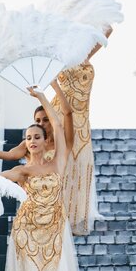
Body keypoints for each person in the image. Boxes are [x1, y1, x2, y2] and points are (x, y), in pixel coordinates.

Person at [0, 87, 88, 271]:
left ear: (45, 138)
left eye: (37, 135)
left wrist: (41, 98)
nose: (33, 140)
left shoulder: (57, 164)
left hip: (52, 233)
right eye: (28, 138)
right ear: (25, 144)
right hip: (26, 232)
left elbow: (60, 125)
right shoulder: (22, 171)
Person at [49, 27, 111, 236]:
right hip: (60, 112)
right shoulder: (60, 56)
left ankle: (74, 216)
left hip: (82, 120)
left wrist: (86, 8)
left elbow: (108, 29)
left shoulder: (85, 55)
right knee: (60, 163)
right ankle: (54, 214)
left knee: (80, 163)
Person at [0, 80, 74, 163]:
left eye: (45, 120)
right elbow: (10, 155)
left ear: (52, 120)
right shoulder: (29, 143)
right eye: (37, 121)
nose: (41, 124)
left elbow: (68, 113)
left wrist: (55, 85)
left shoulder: (63, 141)